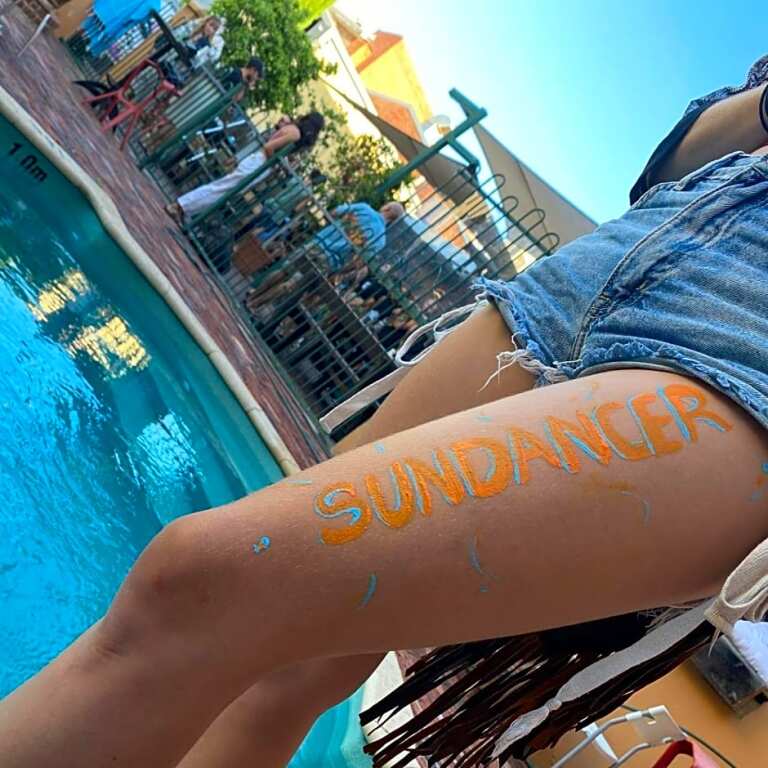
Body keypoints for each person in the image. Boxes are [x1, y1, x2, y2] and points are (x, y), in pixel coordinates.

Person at [4, 56, 768, 768]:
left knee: (206, 581)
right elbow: (670, 167)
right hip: (601, 275)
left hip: (746, 357)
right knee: (300, 662)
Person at [165, 110, 324, 224]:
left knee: (222, 189)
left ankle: (185, 208)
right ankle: (181, 205)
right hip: (261, 162)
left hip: (258, 161)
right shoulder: (295, 134)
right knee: (222, 187)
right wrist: (276, 162)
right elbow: (269, 147)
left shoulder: (292, 129)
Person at [315, 200, 405, 271]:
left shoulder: (364, 208)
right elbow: (360, 262)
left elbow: (336, 212)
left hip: (319, 242)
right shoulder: (381, 241)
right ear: (393, 221)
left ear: (387, 208)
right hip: (332, 262)